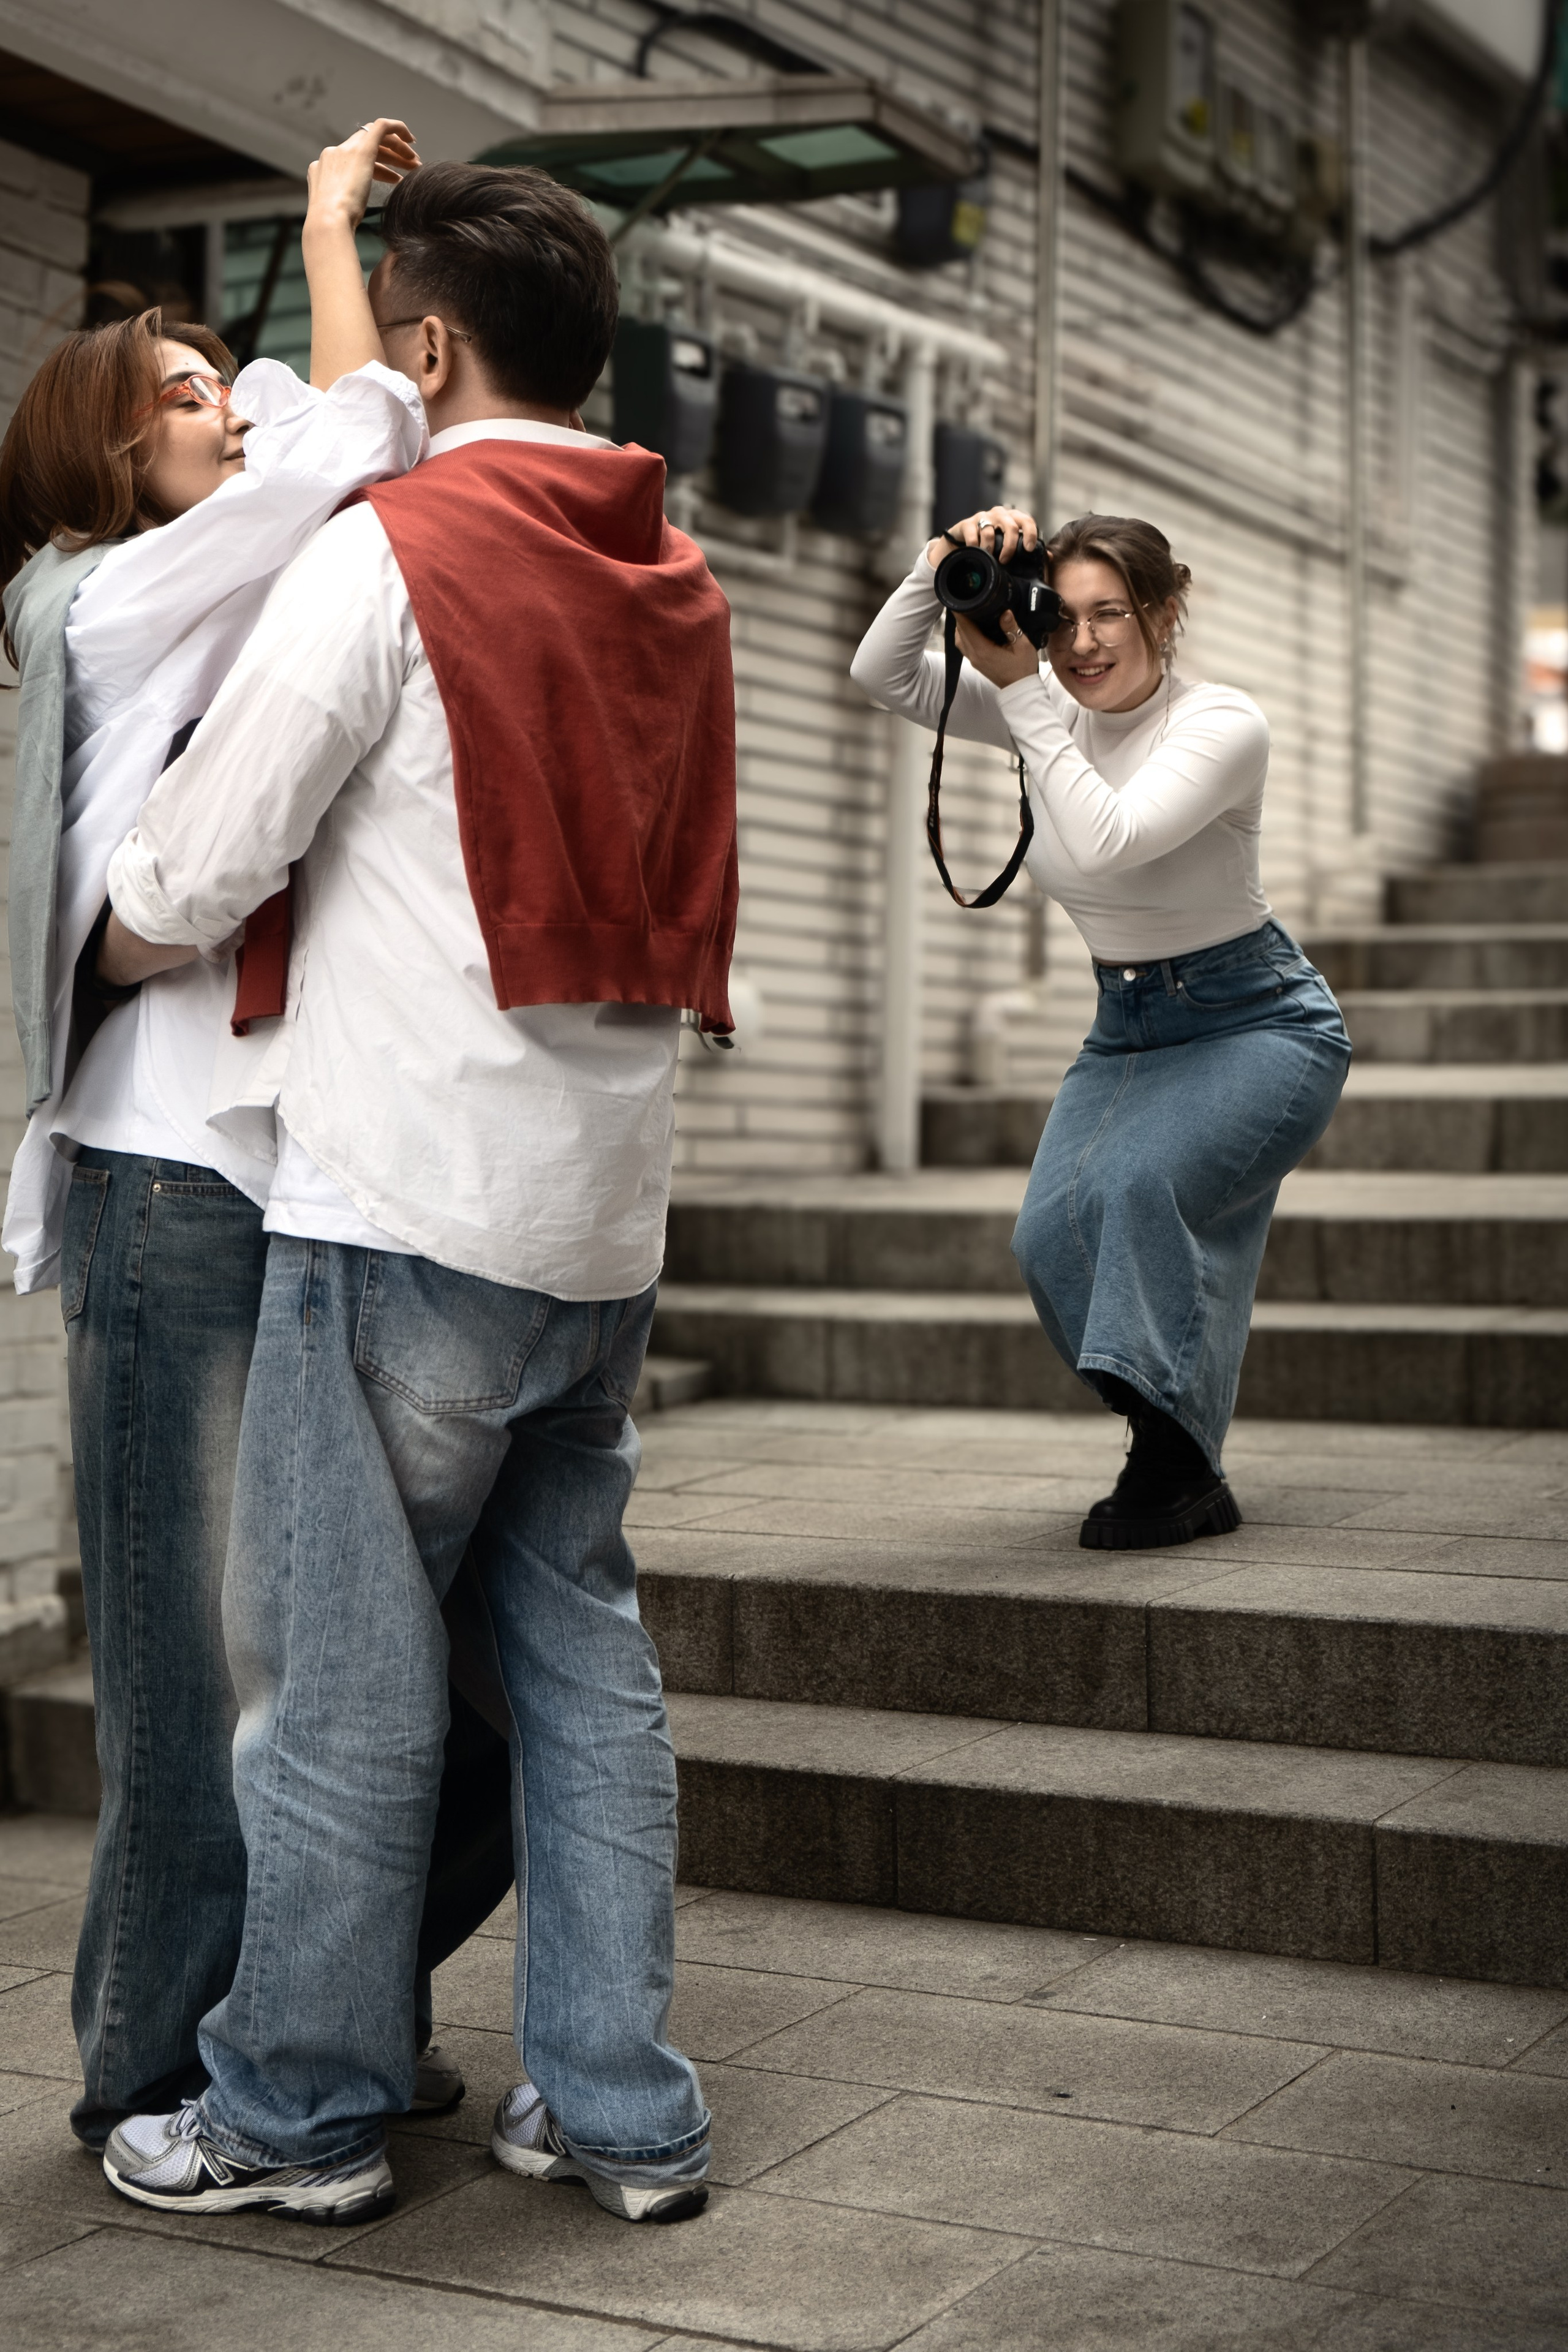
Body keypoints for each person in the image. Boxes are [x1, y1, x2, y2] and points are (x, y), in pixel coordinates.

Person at [96, 159, 735, 2227]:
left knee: (347, 1701)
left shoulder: (394, 556)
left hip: (400, 1216)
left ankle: (292, 2114)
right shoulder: (676, 569)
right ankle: (620, 2111)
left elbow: (195, 868)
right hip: (600, 1225)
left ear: (430, 349)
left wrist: (90, 928)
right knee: (581, 1673)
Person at [0, 119, 511, 2152]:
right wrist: (327, 222)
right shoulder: (111, 602)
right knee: (183, 1693)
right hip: (165, 1193)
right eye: (179, 401)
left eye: (217, 384)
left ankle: (300, 2024)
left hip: (288, 1184)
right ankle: (151, 2067)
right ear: (100, 461)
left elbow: (323, 424)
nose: (230, 408)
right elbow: (356, 424)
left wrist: (318, 293)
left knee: (372, 1682)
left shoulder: (213, 585)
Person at [851, 505, 1351, 1545]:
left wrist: (1025, 694)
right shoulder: (1046, 706)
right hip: (1127, 1023)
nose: (1080, 644)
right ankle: (1175, 1438)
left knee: (1137, 1189)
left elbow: (1113, 837)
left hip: (1259, 1022)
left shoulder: (1222, 724)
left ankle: (1169, 1460)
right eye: (1061, 615)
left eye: (1109, 614)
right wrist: (940, 563)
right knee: (1048, 1235)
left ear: (1163, 613)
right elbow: (884, 673)